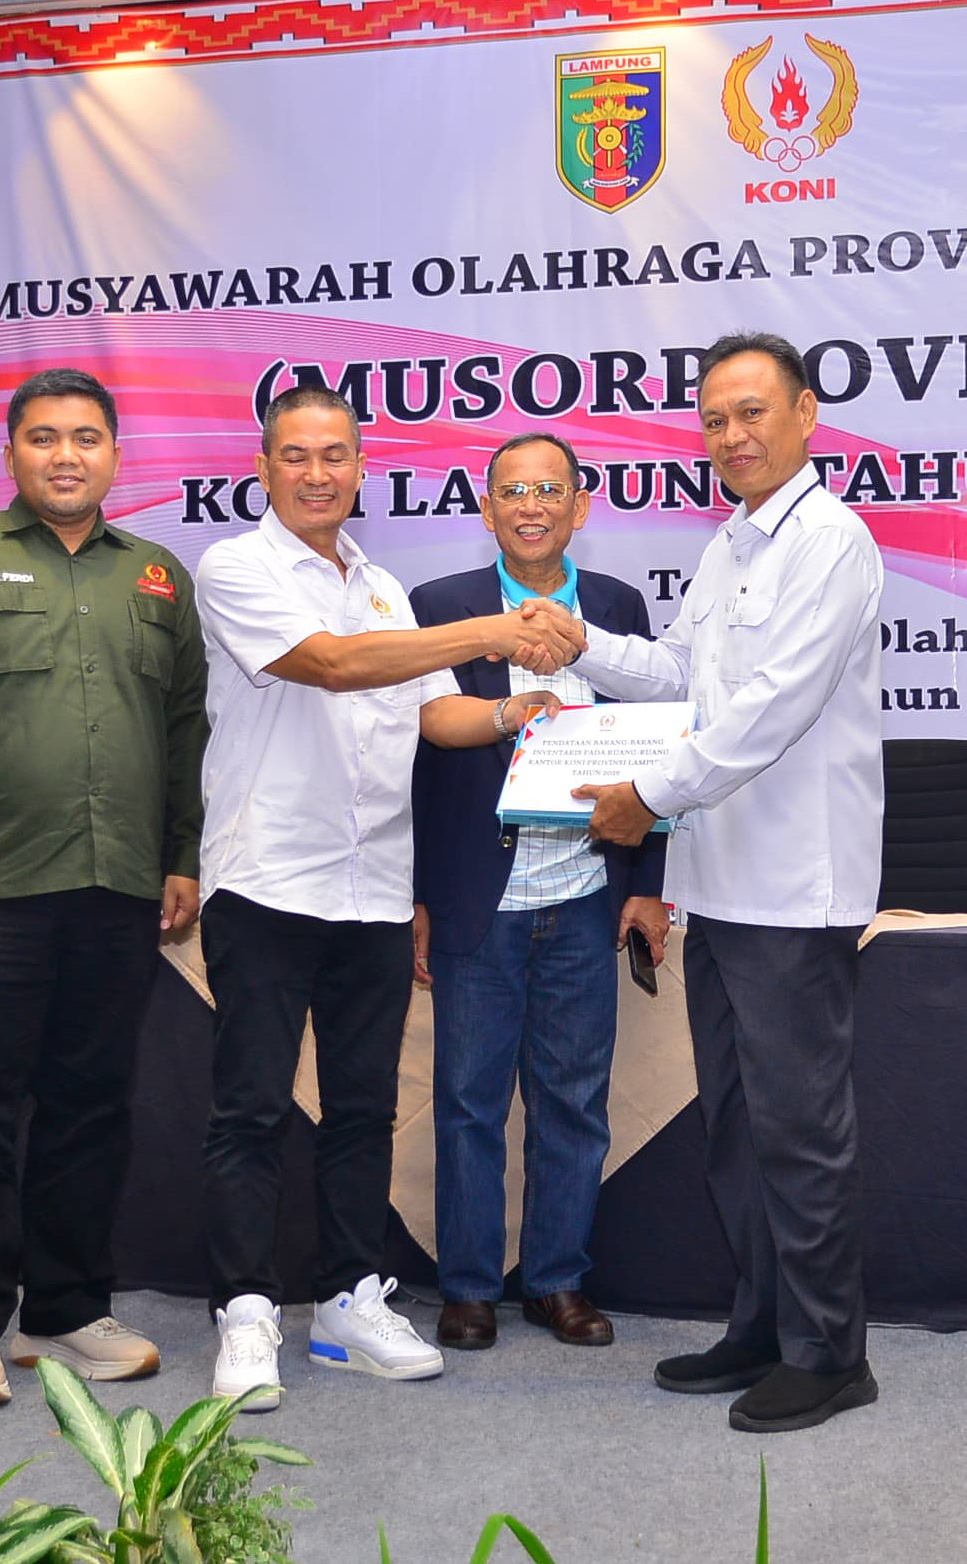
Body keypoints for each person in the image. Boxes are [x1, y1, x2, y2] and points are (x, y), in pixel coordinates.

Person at [194, 385, 582, 1411]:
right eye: (295, 455)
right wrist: (492, 630)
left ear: (362, 469)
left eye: (336, 455)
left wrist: (518, 711)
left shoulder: (382, 588)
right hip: (268, 879)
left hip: (371, 887)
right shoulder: (234, 568)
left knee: (362, 1110)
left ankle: (346, 1300)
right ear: (264, 469)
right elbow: (331, 666)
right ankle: (243, 1310)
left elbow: (434, 718)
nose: (317, 473)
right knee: (249, 1108)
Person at [532, 331, 885, 1433]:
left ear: (806, 414)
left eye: (752, 412)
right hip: (722, 885)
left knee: (800, 1130)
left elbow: (768, 711)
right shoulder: (730, 542)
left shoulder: (831, 542)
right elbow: (682, 674)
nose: (732, 436)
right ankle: (762, 1327)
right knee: (736, 1128)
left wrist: (644, 796)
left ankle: (829, 1354)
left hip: (795, 889)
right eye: (715, 420)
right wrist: (579, 643)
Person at [0, 367, 208, 1408]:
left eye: (87, 438)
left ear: (115, 456)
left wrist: (181, 855)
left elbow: (183, 728)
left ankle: (63, 1310)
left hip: (116, 887)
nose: (67, 455)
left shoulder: (156, 575)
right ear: (11, 451)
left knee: (90, 1108)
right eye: (45, 437)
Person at [408, 432, 668, 1352]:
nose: (531, 507)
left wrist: (647, 883)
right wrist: (420, 894)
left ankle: (558, 1280)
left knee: (574, 1103)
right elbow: (418, 760)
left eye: (549, 490)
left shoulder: (618, 608)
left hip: (588, 892)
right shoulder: (441, 607)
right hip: (479, 898)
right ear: (487, 510)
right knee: (468, 1103)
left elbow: (655, 748)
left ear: (580, 507)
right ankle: (469, 1287)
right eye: (513, 491)